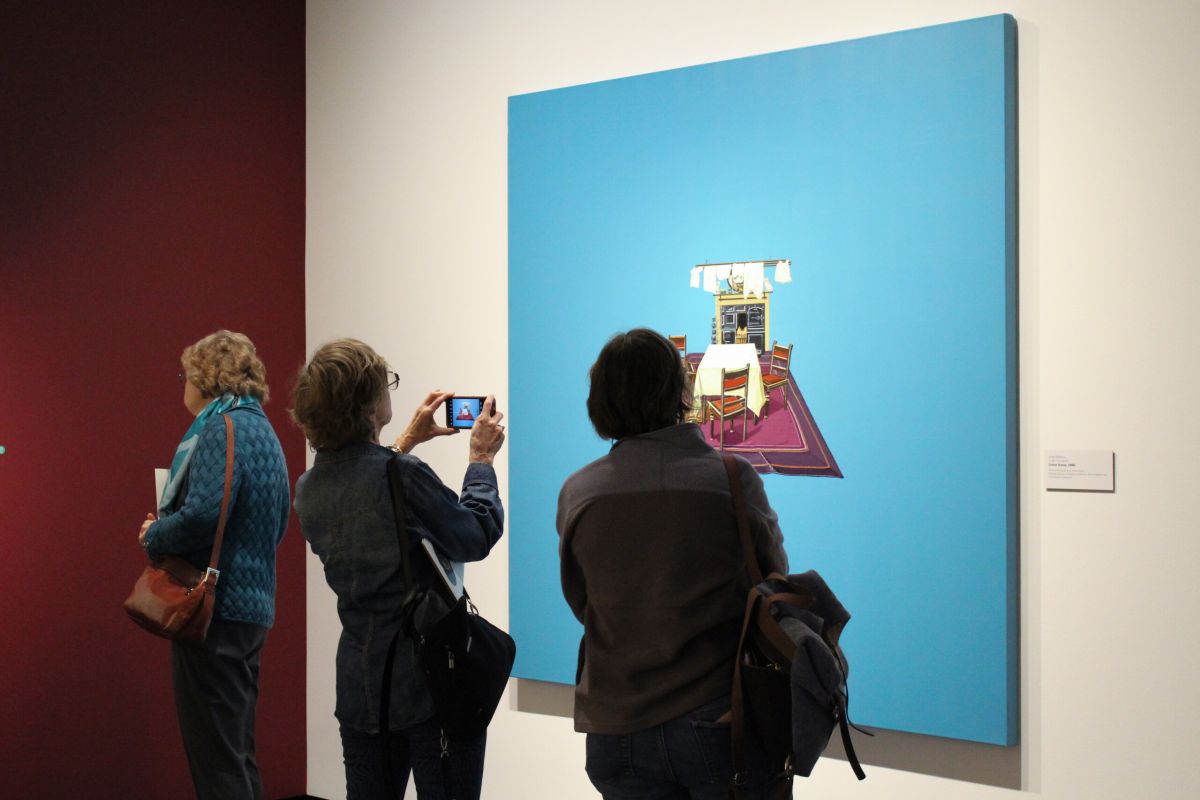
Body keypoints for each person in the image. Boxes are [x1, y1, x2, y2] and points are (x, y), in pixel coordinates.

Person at [557, 328, 789, 799]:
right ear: (680, 390)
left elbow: (582, 602)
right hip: (718, 719)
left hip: (614, 725)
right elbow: (772, 581)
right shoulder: (731, 480)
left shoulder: (579, 491)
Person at [290, 339, 505, 800]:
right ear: (369, 405)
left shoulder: (308, 489)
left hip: (361, 687)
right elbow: (477, 534)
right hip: (429, 682)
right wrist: (481, 463)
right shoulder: (403, 476)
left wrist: (403, 442)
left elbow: (362, 486)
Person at [138, 330, 291, 800]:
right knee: (237, 753)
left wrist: (155, 535)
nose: (183, 384)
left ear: (207, 378)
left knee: (216, 763)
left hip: (214, 615)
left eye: (187, 374)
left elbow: (204, 516)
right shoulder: (263, 431)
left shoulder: (218, 429)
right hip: (251, 610)